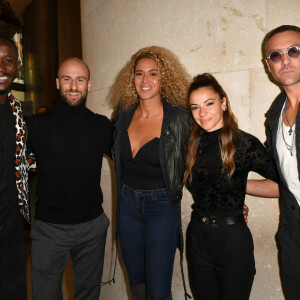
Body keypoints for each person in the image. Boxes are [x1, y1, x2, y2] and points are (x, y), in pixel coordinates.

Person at [184, 73, 278, 300]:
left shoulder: (244, 143)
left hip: (232, 241)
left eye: (209, 103)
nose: (202, 113)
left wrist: (239, 185)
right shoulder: (189, 145)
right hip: (198, 237)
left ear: (223, 102)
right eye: (195, 107)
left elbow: (280, 186)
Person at [27, 57, 113, 300]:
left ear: (89, 84)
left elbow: (132, 158)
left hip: (92, 228)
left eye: (80, 80)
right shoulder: (36, 125)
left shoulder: (101, 125)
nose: (73, 86)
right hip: (48, 229)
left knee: (88, 295)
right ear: (57, 83)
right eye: (67, 79)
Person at [110, 46, 191, 300]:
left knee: (157, 291)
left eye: (153, 74)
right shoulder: (122, 115)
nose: (145, 81)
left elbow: (197, 163)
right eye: (139, 74)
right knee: (137, 285)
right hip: (127, 205)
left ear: (164, 78)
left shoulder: (179, 118)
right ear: (131, 78)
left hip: (161, 207)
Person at [247, 24, 300, 300]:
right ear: (268, 66)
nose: (286, 60)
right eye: (276, 55)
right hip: (293, 235)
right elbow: (283, 184)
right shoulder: (275, 116)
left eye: (294, 50)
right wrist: (234, 184)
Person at [0, 35, 35, 299]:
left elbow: (24, 159)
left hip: (11, 220)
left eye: (8, 61)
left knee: (14, 288)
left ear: (18, 66)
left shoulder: (17, 113)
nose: (2, 68)